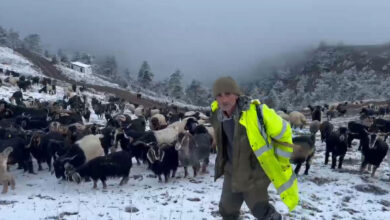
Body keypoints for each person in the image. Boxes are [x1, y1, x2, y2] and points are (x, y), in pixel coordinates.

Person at [210, 76, 299, 220]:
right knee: (226, 211)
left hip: (254, 174)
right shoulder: (216, 114)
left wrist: (281, 160)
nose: (224, 100)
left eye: (228, 94)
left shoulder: (258, 112)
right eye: (219, 95)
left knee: (261, 211)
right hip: (231, 171)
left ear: (236, 94)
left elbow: (285, 132)